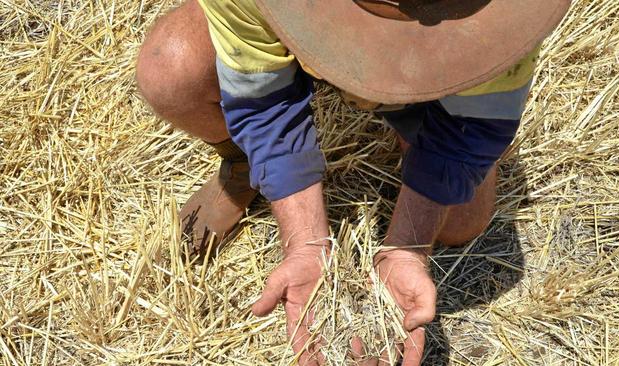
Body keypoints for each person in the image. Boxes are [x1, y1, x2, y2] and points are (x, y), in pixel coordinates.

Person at [135, 0, 570, 364]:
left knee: (459, 221)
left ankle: (419, 124)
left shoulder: (503, 14)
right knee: (171, 71)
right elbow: (261, 102)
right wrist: (304, 241)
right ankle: (246, 163)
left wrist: (408, 249)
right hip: (291, 28)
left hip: (427, 78)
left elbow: (474, 126)